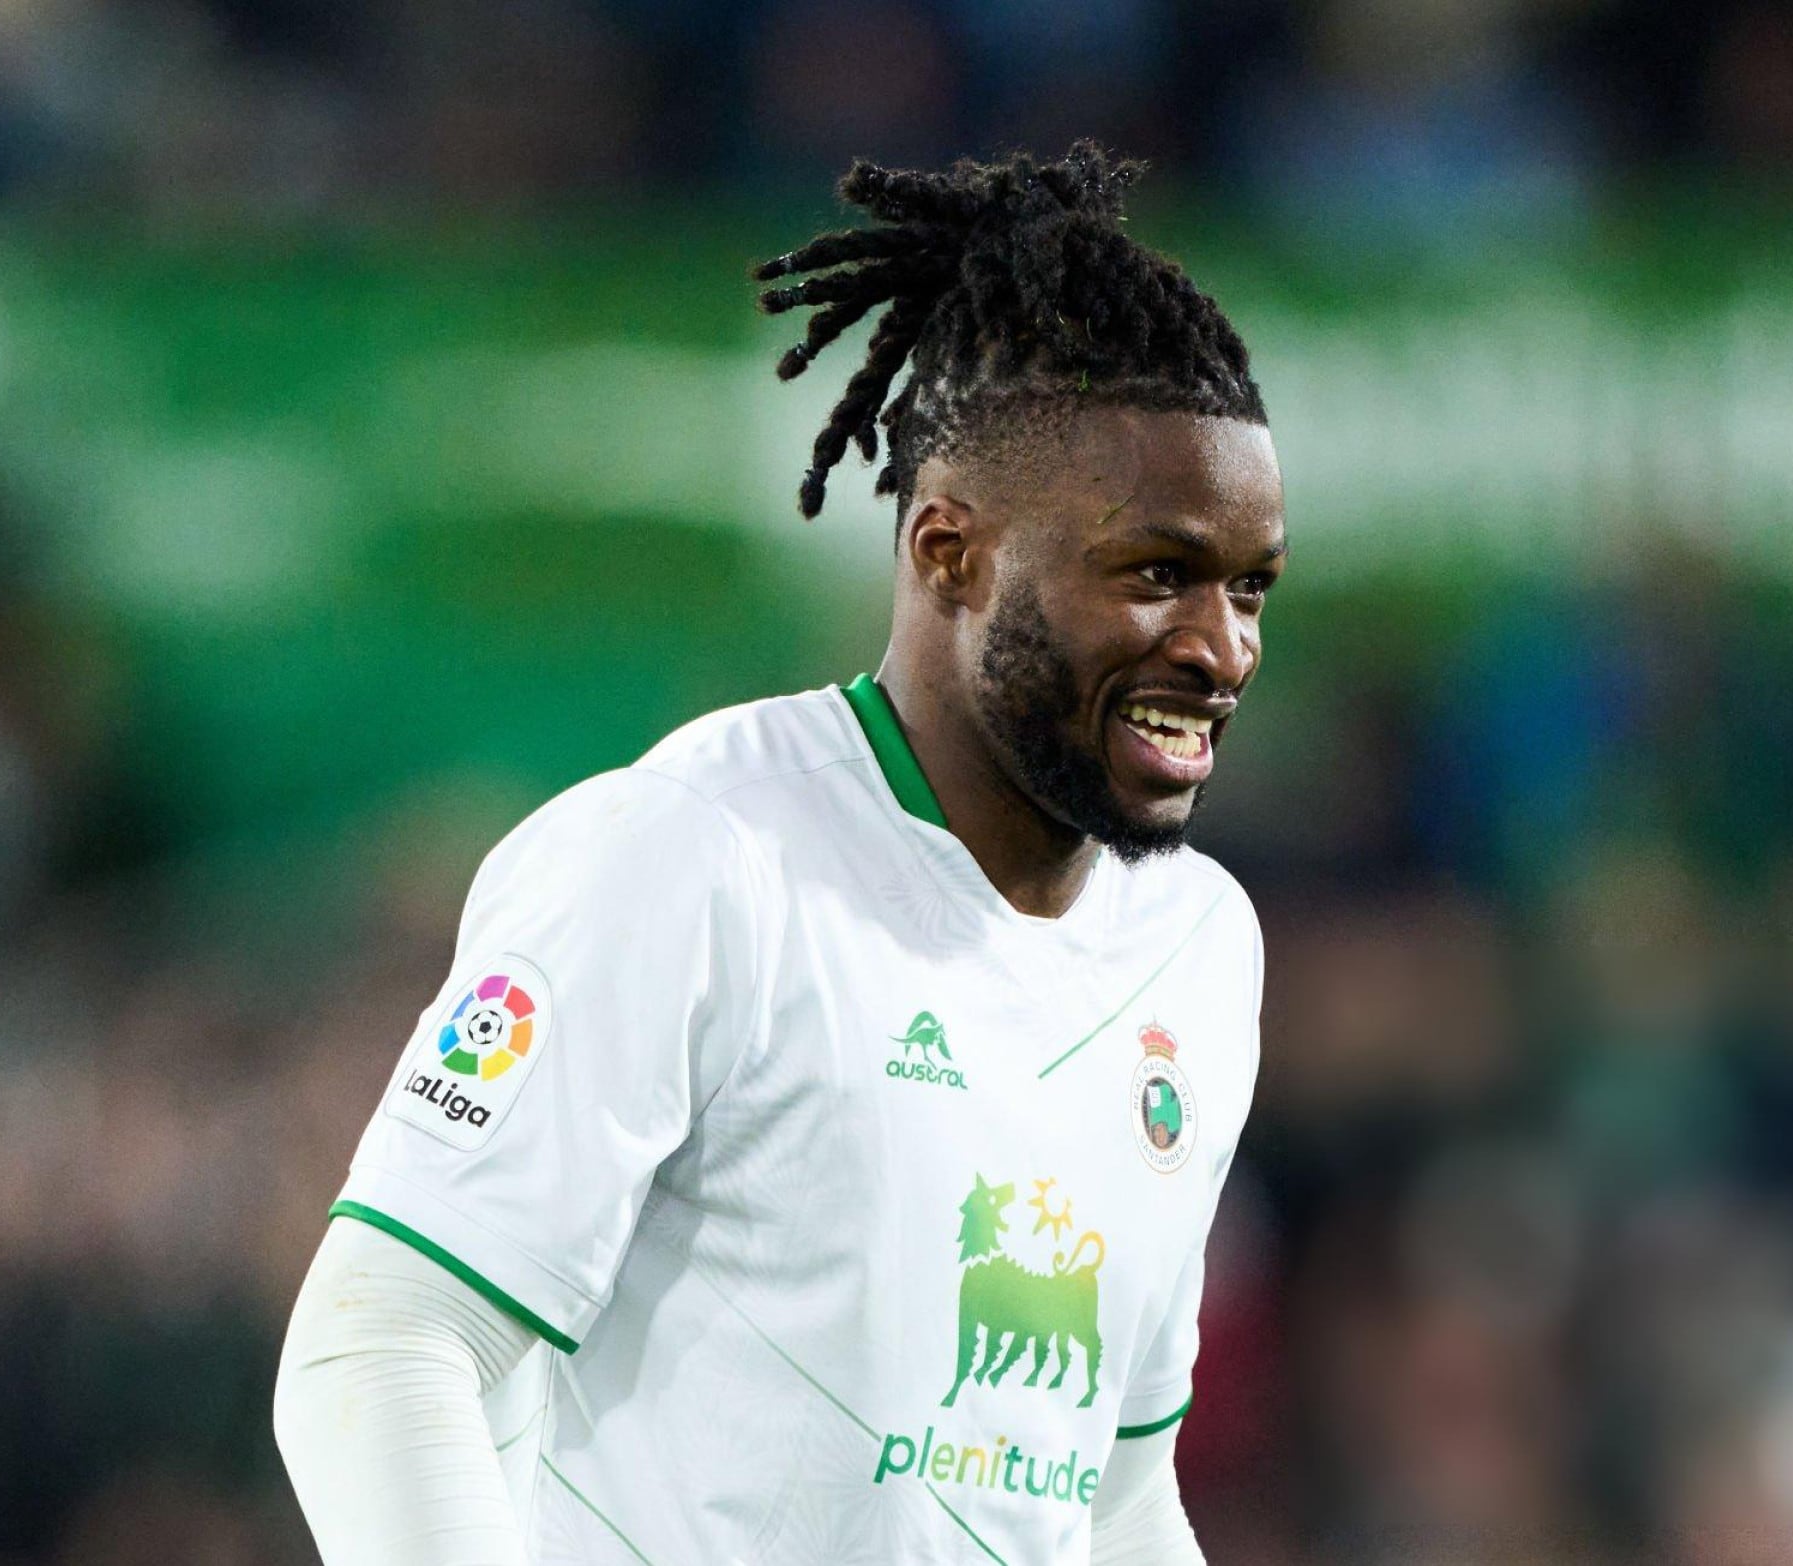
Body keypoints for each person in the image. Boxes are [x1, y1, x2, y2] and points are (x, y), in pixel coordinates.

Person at [274, 141, 1285, 1565]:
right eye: (1155, 573)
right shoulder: (691, 854)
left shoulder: (1198, 944)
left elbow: (1107, 1494)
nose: (1220, 646)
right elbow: (379, 1344)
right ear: (950, 551)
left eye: (1249, 586)